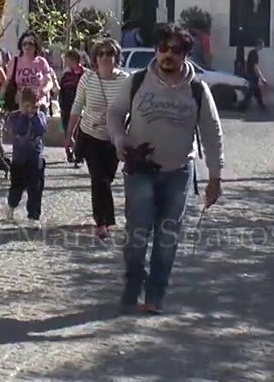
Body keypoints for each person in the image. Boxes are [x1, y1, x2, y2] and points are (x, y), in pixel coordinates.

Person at [107, 23, 223, 314]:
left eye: (176, 50)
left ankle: (156, 294)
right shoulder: (136, 82)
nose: (168, 55)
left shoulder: (198, 90)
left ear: (186, 54)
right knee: (137, 234)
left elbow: (212, 132)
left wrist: (215, 176)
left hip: (179, 172)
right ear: (156, 50)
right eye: (163, 48)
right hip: (140, 169)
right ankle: (134, 279)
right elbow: (115, 113)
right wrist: (119, 138)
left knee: (167, 237)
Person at [65, 39, 129, 239]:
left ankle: (99, 214)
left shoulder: (126, 80)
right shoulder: (88, 79)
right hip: (90, 135)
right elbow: (77, 107)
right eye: (100, 54)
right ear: (94, 58)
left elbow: (133, 108)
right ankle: (103, 222)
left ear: (116, 56)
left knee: (106, 178)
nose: (105, 57)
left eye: (109, 53)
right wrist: (69, 136)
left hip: (113, 138)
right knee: (99, 178)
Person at [4, 87, 47, 228]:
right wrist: (23, 115)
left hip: (35, 158)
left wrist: (34, 115)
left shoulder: (40, 116)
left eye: (32, 106)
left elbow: (41, 130)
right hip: (19, 159)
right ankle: (11, 205)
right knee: (16, 187)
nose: (29, 109)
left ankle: (34, 216)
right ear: (20, 103)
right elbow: (18, 130)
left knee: (35, 188)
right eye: (26, 106)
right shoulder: (14, 116)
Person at [6, 31, 55, 113]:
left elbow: (49, 82)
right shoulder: (15, 61)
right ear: (21, 46)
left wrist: (43, 90)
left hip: (38, 104)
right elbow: (7, 81)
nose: (27, 46)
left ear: (35, 46)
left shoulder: (41, 62)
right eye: (24, 44)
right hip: (20, 105)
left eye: (30, 44)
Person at [57, 49, 85, 166]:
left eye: (67, 59)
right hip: (66, 106)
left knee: (79, 131)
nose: (66, 62)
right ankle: (69, 151)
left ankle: (78, 154)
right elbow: (61, 91)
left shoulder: (85, 74)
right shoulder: (66, 75)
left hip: (81, 107)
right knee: (67, 128)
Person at [240, 39, 268, 112]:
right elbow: (255, 67)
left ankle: (261, 105)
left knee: (256, 91)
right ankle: (242, 107)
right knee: (251, 91)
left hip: (251, 74)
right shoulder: (254, 54)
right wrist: (262, 78)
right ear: (258, 45)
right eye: (262, 45)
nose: (262, 47)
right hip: (252, 75)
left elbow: (247, 63)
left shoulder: (251, 53)